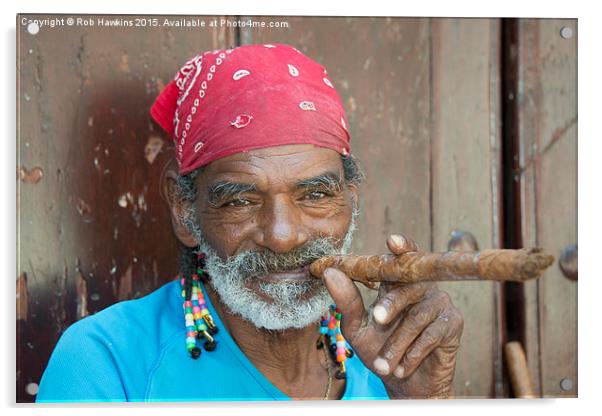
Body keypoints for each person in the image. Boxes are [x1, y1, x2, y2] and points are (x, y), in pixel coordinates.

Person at [36, 43, 463, 402]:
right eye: (240, 200)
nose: (282, 236)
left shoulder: (389, 366)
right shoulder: (108, 362)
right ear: (185, 210)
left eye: (314, 195)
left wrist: (422, 404)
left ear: (349, 202)